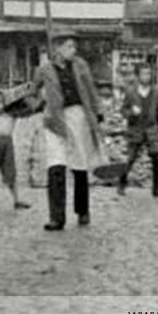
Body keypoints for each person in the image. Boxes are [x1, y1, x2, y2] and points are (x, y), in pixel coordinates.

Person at [32, 32, 104, 231]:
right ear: (57, 48)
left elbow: (90, 89)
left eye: (74, 47)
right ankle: (56, 217)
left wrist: (98, 112)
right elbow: (32, 92)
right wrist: (39, 104)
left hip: (78, 116)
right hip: (54, 120)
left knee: (79, 164)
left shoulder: (80, 65)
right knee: (56, 164)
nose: (73, 50)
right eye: (69, 46)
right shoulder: (44, 70)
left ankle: (82, 210)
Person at [118, 63, 158, 198]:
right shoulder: (130, 92)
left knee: (156, 158)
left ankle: (156, 188)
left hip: (151, 129)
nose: (146, 77)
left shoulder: (156, 92)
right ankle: (122, 183)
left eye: (149, 74)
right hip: (136, 129)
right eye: (143, 74)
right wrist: (131, 113)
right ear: (137, 76)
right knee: (131, 158)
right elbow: (123, 110)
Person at [0, 91, 30, 211]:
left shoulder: (10, 115)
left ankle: (16, 199)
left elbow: (23, 106)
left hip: (7, 144)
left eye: (0, 102)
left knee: (10, 171)